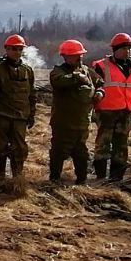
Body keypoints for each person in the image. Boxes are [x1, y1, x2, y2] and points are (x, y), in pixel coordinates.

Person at [90, 33, 131, 181]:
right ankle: (101, 177)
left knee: (121, 145)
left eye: (129, 48)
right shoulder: (101, 66)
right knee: (103, 144)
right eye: (123, 48)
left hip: (127, 111)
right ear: (115, 49)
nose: (127, 51)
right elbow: (94, 88)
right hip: (107, 111)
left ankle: (117, 178)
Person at [48, 39, 103, 184]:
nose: (79, 58)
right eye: (75, 55)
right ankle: (54, 180)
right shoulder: (58, 72)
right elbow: (59, 81)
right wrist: (77, 77)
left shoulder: (87, 71)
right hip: (63, 124)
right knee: (58, 153)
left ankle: (82, 180)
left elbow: (100, 83)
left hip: (82, 123)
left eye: (81, 55)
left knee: (81, 155)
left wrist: (100, 92)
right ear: (65, 57)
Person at [0, 34, 35, 180]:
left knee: (19, 148)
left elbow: (32, 95)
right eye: (14, 49)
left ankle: (17, 176)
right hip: (1, 117)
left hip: (20, 117)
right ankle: (0, 173)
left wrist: (32, 115)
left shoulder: (27, 71)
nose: (17, 52)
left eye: (20, 49)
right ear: (6, 49)